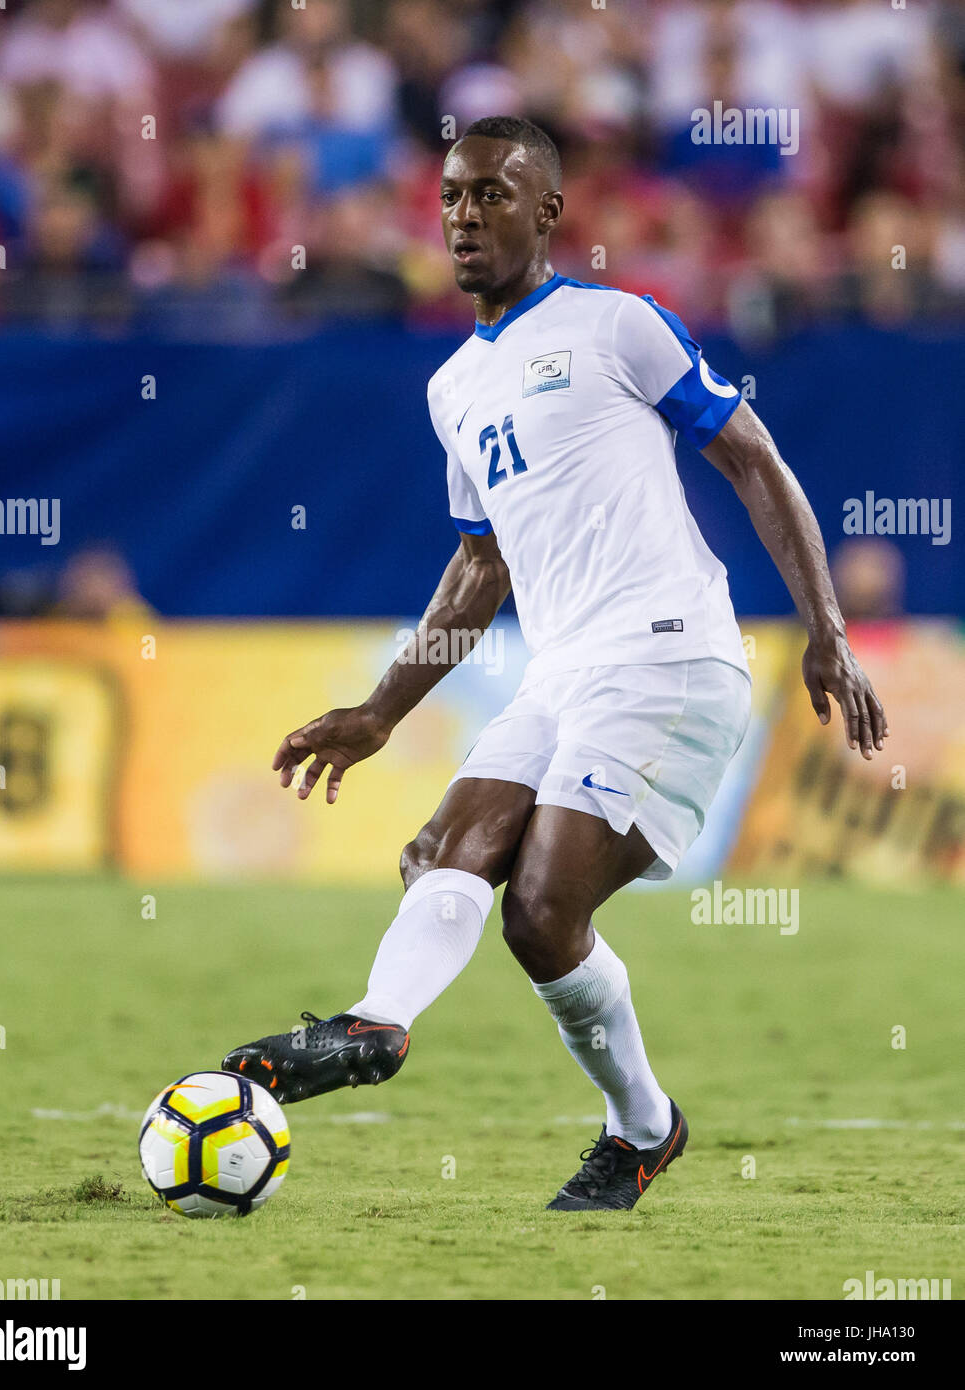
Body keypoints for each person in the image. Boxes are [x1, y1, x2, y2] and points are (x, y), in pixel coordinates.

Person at [222, 116, 887, 1212]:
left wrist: (827, 627)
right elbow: (479, 568)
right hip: (562, 670)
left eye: (490, 193)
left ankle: (641, 1129)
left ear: (547, 211)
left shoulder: (618, 327)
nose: (463, 215)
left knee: (538, 908)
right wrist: (382, 710)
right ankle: (376, 1027)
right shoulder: (451, 387)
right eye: (449, 196)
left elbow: (752, 459)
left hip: (669, 657)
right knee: (442, 848)